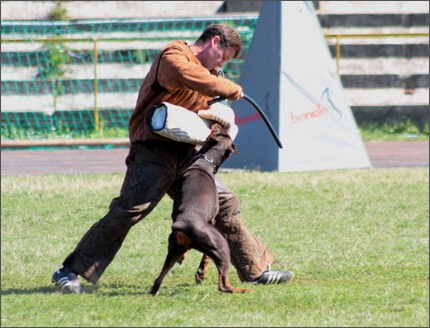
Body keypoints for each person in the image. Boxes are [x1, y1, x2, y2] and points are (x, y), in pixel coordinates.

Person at [52, 23, 294, 294]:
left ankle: (256, 271)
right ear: (215, 42)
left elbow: (207, 109)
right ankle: (69, 272)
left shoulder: (210, 73)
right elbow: (185, 75)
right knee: (131, 209)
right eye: (223, 57)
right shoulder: (173, 56)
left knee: (224, 203)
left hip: (190, 153)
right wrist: (227, 87)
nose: (222, 64)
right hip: (154, 150)